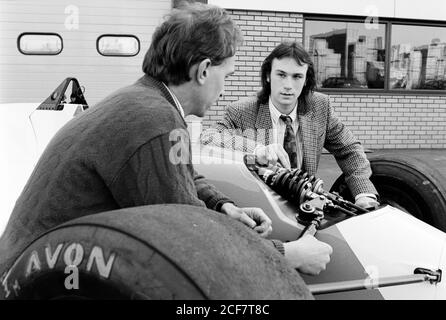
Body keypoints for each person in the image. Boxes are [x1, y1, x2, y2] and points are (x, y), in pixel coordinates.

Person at [0, 3, 330, 276]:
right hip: (36, 281)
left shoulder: (142, 101)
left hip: (36, 265)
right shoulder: (154, 121)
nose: (225, 89)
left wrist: (222, 205)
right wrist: (286, 254)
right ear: (203, 71)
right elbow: (186, 242)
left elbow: (177, 170)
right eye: (225, 76)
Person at [201, 42, 379, 209]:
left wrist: (364, 193)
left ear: (306, 80)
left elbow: (349, 149)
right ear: (268, 76)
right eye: (281, 75)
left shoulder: (320, 107)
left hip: (307, 205)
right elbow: (208, 137)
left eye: (296, 77)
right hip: (262, 208)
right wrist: (258, 149)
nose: (288, 85)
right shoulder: (241, 111)